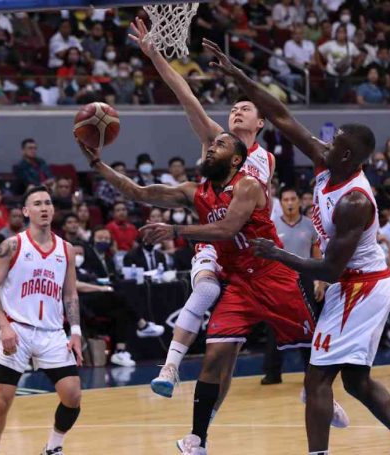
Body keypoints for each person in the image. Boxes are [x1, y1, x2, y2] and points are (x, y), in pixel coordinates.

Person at [202, 38, 390, 454]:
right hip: (348, 285)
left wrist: (277, 253)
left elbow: (330, 270)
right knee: (354, 380)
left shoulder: (354, 201)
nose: (324, 143)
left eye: (334, 143)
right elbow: (281, 115)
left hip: (362, 286)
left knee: (318, 378)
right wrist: (237, 74)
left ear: (348, 155)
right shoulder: (326, 160)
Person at [80, 125, 330, 452]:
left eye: (221, 145)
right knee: (213, 358)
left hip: (274, 276)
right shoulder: (193, 191)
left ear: (236, 159)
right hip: (239, 283)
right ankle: (198, 439)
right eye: (212, 144)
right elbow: (138, 192)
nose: (212, 147)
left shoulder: (248, 186)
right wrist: (98, 165)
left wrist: (175, 229)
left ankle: (323, 394)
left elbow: (227, 228)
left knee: (316, 348)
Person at [129, 21, 283, 409]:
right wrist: (155, 56)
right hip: (215, 239)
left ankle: (320, 384)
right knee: (208, 289)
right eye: (233, 106)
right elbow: (186, 96)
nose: (236, 109)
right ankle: (169, 368)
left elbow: (264, 206)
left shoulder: (267, 159)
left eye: (245, 107)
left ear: (261, 123)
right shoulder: (215, 140)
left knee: (227, 358)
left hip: (250, 251)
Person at [0, 186, 82, 455]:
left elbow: (70, 293)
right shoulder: (12, 245)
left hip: (52, 332)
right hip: (17, 328)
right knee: (1, 401)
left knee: (72, 396)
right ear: (26, 211)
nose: (44, 208)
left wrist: (75, 332)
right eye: (37, 203)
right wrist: (4, 326)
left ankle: (53, 447)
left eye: (48, 203)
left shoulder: (67, 249)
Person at [262, 187, 323, 385]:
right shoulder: (271, 225)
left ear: (299, 202)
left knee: (308, 325)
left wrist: (320, 280)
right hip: (278, 279)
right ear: (281, 204)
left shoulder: (310, 225)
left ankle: (311, 371)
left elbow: (317, 255)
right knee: (274, 326)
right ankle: (273, 373)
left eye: (293, 199)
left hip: (304, 278)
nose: (289, 202)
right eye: (286, 199)